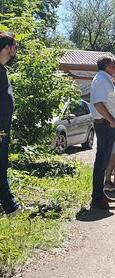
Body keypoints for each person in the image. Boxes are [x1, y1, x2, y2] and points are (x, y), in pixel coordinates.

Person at [89, 55, 115, 210]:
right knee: (102, 161)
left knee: (103, 161)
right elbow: (98, 103)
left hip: (107, 124)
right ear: (107, 65)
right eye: (114, 64)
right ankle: (97, 199)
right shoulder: (101, 80)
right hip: (105, 124)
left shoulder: (105, 80)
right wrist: (111, 120)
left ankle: (100, 194)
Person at [0, 32, 19, 216]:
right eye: (14, 45)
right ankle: (9, 206)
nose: (16, 49)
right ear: (6, 47)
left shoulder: (2, 69)